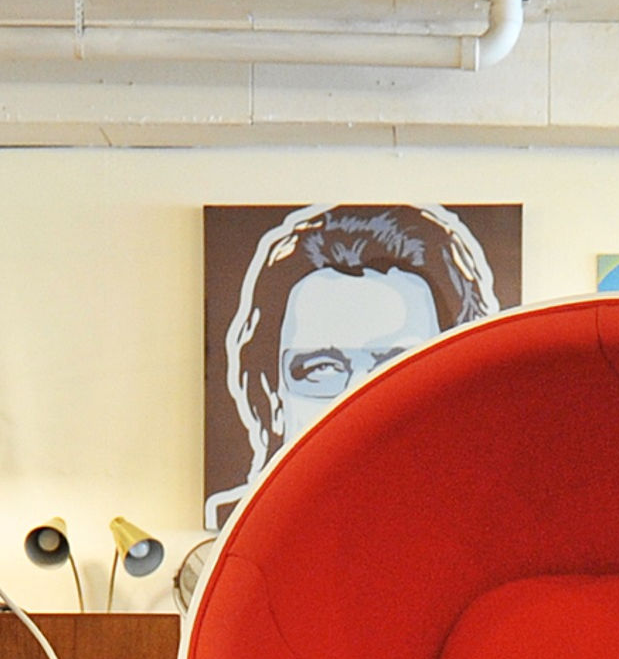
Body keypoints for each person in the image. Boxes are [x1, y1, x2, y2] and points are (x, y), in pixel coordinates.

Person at [210, 204, 502, 528]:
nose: (359, 401)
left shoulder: (498, 533)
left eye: (399, 367)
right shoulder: (233, 547)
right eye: (322, 369)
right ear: (271, 397)